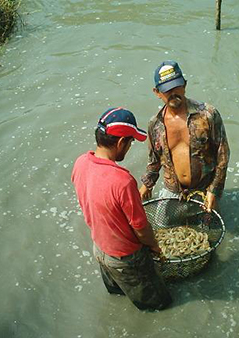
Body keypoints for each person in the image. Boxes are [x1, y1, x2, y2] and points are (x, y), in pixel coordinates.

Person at [71, 107, 172, 310]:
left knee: (118, 295)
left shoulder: (81, 163)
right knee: (160, 303)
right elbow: (141, 227)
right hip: (127, 260)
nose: (129, 147)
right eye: (130, 142)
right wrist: (154, 246)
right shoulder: (123, 181)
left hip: (100, 251)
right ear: (120, 142)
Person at [139, 60, 230, 212]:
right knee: (163, 226)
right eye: (167, 90)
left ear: (185, 85)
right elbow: (154, 160)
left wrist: (214, 190)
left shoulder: (207, 115)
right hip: (172, 190)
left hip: (205, 189)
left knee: (208, 228)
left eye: (177, 87)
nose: (173, 93)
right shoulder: (155, 124)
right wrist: (147, 184)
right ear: (157, 92)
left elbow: (223, 155)